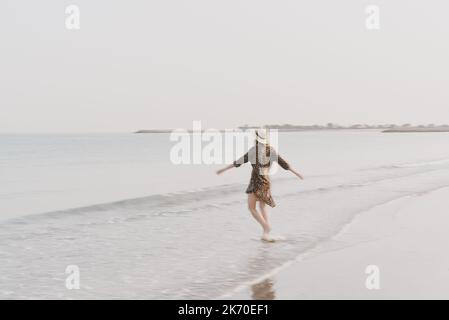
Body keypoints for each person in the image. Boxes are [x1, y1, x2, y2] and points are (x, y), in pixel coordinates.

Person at [216, 129, 304, 241]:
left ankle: (266, 227)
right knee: (262, 207)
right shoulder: (271, 150)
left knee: (251, 208)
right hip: (267, 181)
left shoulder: (254, 150)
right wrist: (297, 173)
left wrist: (222, 170)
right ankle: (266, 234)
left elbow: (238, 162)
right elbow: (284, 164)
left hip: (256, 181)